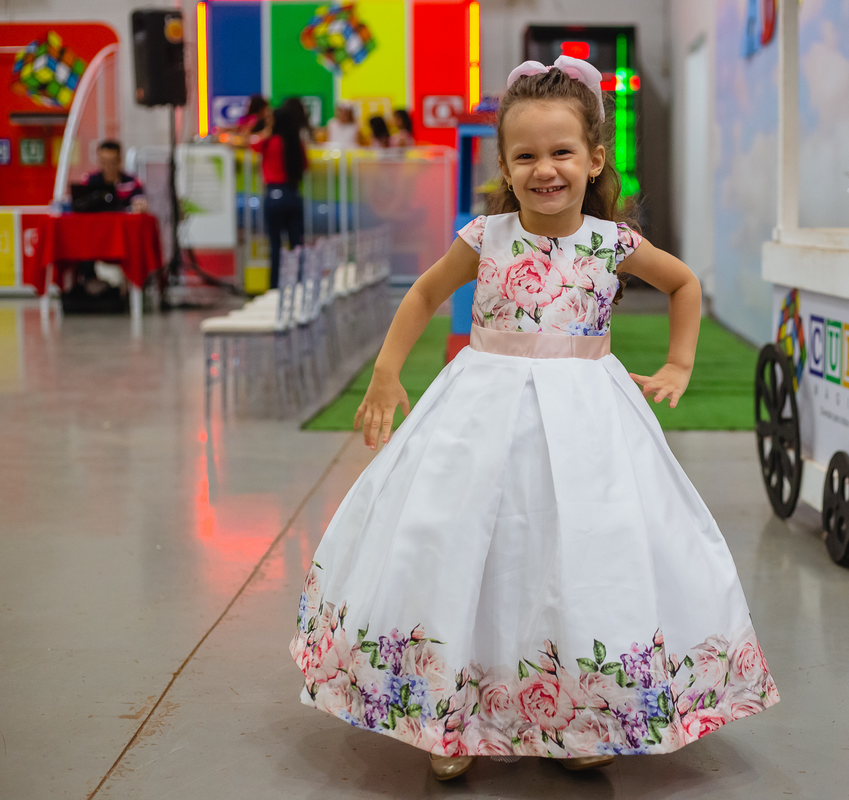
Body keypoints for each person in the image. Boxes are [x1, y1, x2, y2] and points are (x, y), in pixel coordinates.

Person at [289, 56, 778, 782]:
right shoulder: (484, 237)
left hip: (588, 416)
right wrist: (387, 372)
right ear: (505, 165)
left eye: (561, 153)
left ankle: (585, 713)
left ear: (594, 158)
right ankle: (444, 716)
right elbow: (423, 295)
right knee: (460, 550)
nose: (545, 170)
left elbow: (682, 283)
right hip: (481, 410)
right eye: (526, 156)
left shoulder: (610, 244)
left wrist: (679, 365)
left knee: (585, 555)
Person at [251, 102, 309, 287]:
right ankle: (298, 283)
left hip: (274, 194)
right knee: (296, 245)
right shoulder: (295, 142)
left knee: (276, 246)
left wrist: (268, 128)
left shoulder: (271, 141)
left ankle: (275, 287)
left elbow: (253, 144)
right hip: (293, 194)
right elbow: (306, 166)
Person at [79, 140, 147, 212]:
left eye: (112, 162)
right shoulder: (88, 181)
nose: (108, 167)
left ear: (119, 160)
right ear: (98, 161)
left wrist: (140, 205)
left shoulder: (133, 183)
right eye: (104, 162)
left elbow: (140, 202)